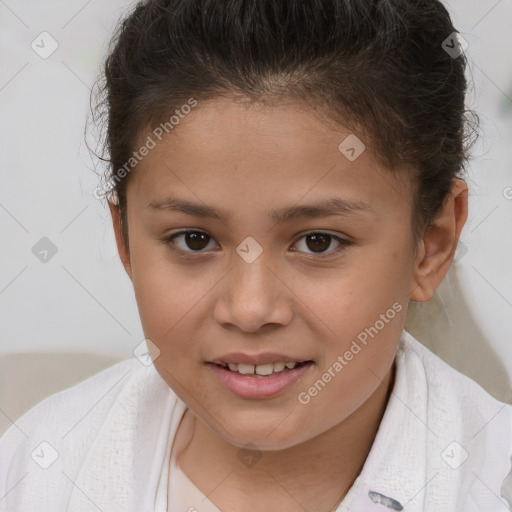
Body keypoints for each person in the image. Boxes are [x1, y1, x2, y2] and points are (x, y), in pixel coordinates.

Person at [1, 0, 511, 511]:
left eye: (318, 242)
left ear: (433, 243)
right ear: (125, 239)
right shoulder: (35, 470)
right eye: (193, 240)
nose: (249, 309)